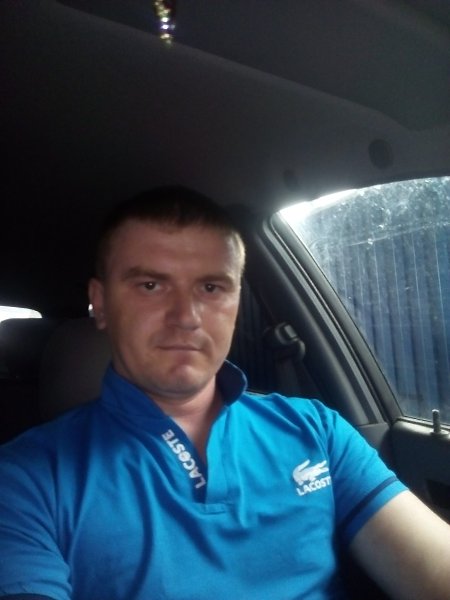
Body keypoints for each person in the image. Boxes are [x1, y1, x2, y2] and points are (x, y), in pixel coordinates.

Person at [0, 186, 449, 600]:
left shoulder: (317, 430)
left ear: (236, 302)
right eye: (150, 285)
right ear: (100, 303)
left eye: (211, 287)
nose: (186, 316)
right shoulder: (24, 480)